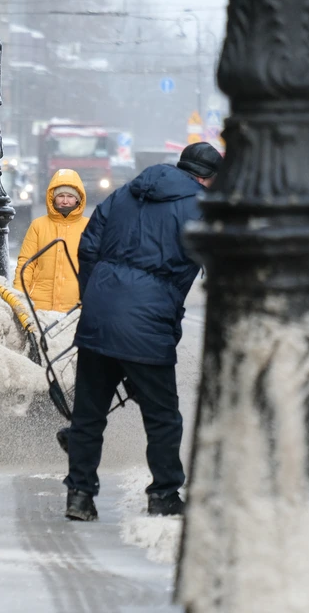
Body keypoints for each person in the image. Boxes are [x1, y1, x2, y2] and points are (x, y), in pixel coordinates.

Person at [64, 141, 224, 522]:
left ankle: (80, 497)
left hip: (100, 317)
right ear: (208, 178)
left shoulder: (125, 193)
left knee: (88, 415)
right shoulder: (200, 208)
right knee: (163, 417)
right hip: (147, 324)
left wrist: (97, 297)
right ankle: (165, 494)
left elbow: (88, 247)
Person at [13, 169, 88, 312]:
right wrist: (20, 296)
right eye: (60, 196)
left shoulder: (89, 227)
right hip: (40, 308)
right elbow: (26, 264)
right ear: (52, 198)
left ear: (78, 199)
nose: (65, 201)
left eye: (70, 196)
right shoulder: (38, 226)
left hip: (76, 309)